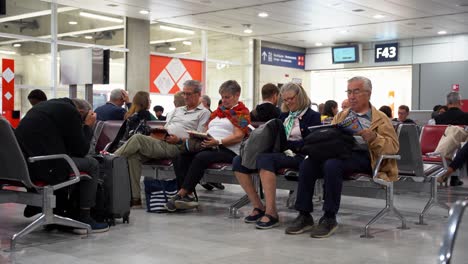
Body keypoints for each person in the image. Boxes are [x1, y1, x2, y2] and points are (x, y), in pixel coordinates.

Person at [285, 76, 398, 238]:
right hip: (340, 152)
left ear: (368, 93)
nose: (352, 96)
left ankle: (329, 217)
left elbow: (393, 147)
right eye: (349, 92)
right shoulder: (342, 115)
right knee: (308, 163)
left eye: (356, 92)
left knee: (332, 165)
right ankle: (304, 214)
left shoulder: (380, 118)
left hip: (366, 157)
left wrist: (374, 138)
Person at [233, 82, 321, 229]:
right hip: (279, 153)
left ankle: (272, 212)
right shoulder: (284, 115)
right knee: (238, 160)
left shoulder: (313, 116)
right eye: (285, 100)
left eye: (291, 98)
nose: (288, 102)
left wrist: (288, 145)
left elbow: (310, 143)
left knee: (265, 159)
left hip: (299, 156)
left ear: (300, 96)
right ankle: (258, 206)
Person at [15, 97, 109, 234]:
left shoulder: (44, 107)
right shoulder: (70, 112)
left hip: (24, 166)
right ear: (81, 111)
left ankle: (54, 211)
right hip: (43, 167)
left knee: (66, 161)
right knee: (93, 164)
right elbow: (81, 150)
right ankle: (84, 217)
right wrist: (87, 126)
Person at [115, 80, 211, 206]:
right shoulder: (177, 110)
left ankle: (110, 160)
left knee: (138, 138)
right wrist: (160, 133)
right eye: (184, 94)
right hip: (163, 142)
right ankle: (135, 199)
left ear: (198, 94)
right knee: (134, 157)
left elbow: (199, 138)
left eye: (189, 94)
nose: (185, 97)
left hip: (180, 147)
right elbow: (168, 127)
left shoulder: (204, 113)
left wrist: (179, 139)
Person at [165, 80, 251, 211]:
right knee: (180, 154)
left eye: (227, 97)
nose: (224, 100)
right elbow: (206, 129)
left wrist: (218, 142)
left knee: (201, 157)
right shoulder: (218, 112)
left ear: (237, 95)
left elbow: (238, 136)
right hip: (210, 144)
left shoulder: (241, 113)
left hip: (228, 149)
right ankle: (188, 195)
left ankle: (182, 193)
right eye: (222, 97)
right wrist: (199, 135)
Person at [434, 92, 468, 186]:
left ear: (447, 103)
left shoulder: (438, 118)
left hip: (439, 148)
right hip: (458, 149)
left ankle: (442, 173)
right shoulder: (466, 117)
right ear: (459, 102)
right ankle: (454, 177)